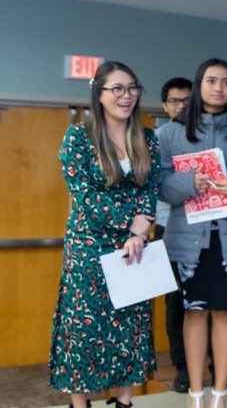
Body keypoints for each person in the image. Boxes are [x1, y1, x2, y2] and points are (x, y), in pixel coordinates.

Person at [49, 61, 159, 408]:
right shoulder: (78, 137)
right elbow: (85, 195)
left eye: (132, 88)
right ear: (99, 94)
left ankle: (124, 401)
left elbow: (151, 187)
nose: (126, 96)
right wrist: (134, 223)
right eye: (117, 89)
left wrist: (142, 228)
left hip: (135, 246)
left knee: (130, 326)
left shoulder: (148, 137)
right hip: (89, 246)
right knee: (83, 328)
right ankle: (79, 404)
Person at [160, 58, 227, 408]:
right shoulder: (173, 133)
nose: (219, 88)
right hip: (189, 240)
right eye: (211, 81)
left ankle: (219, 392)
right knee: (194, 311)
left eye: (226, 82)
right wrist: (187, 182)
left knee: (224, 313)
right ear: (199, 85)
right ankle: (195, 392)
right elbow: (160, 186)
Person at [153, 77, 194, 393]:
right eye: (175, 101)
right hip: (169, 227)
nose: (182, 106)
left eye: (187, 100)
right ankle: (183, 368)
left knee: (211, 303)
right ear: (165, 106)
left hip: (207, 226)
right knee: (176, 302)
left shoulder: (208, 136)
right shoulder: (157, 139)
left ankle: (215, 366)